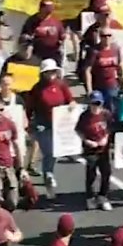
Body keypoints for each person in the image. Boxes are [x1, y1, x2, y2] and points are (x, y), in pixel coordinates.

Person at [26, 58, 75, 199]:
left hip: (59, 124)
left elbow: (70, 100)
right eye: (47, 72)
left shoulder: (61, 85)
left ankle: (48, 174)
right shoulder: (36, 89)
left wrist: (72, 104)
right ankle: (48, 175)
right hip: (43, 124)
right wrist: (29, 124)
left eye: (52, 71)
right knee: (49, 152)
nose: (50, 74)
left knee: (55, 152)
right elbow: (29, 108)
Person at [75, 91, 113, 211]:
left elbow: (110, 128)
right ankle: (90, 197)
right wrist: (86, 141)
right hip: (90, 149)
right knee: (91, 173)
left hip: (103, 149)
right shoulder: (84, 116)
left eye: (98, 104)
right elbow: (78, 130)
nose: (96, 106)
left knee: (106, 172)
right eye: (93, 104)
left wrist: (105, 138)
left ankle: (103, 196)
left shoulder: (106, 114)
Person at [83, 28, 123, 111]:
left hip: (112, 85)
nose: (106, 38)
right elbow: (87, 70)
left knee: (112, 110)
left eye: (109, 35)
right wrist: (89, 89)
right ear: (100, 37)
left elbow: (119, 66)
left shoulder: (116, 49)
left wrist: (121, 81)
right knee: (98, 110)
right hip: (98, 86)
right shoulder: (94, 51)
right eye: (103, 36)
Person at [21, 0, 66, 64]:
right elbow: (24, 36)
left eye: (52, 6)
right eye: (48, 7)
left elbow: (62, 36)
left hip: (53, 54)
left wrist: (63, 37)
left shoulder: (56, 21)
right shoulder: (32, 21)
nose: (50, 9)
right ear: (41, 8)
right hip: (36, 55)